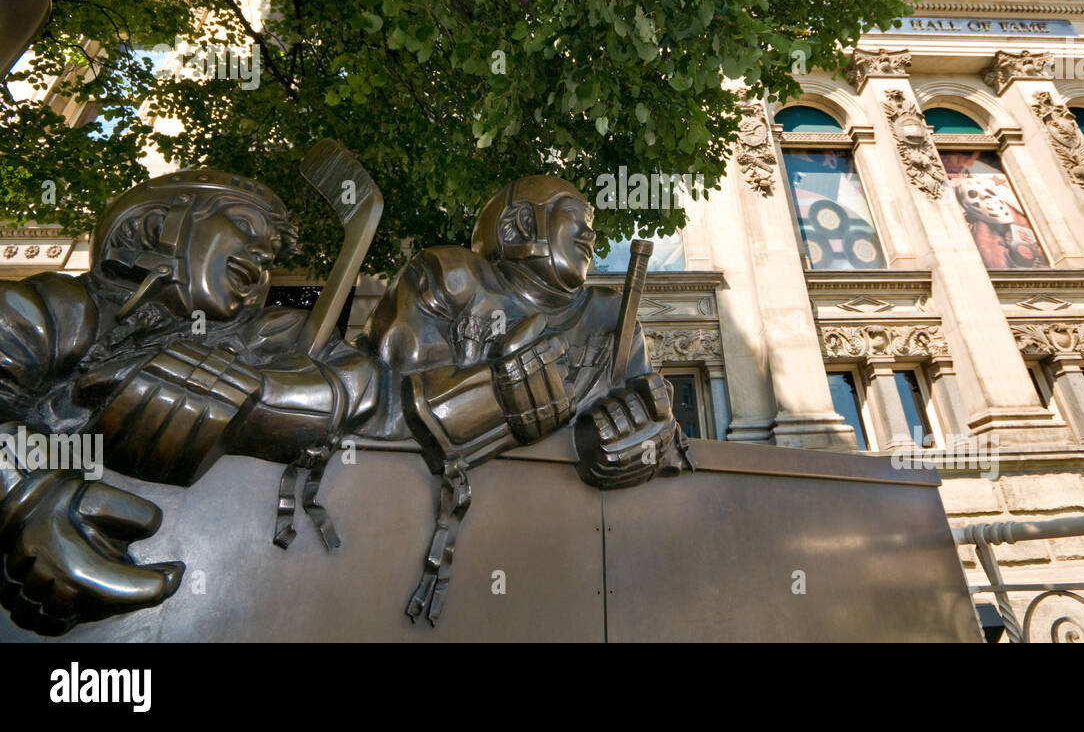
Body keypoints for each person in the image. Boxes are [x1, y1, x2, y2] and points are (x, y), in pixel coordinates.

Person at [0, 170, 379, 635]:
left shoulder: (270, 334)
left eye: (273, 255)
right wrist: (28, 499)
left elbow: (353, 382)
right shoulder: (56, 307)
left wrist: (254, 394)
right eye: (244, 225)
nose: (263, 256)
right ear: (155, 227)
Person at [361, 175, 690, 622]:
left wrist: (645, 440)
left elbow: (659, 425)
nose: (590, 234)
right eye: (575, 218)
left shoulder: (612, 316)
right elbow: (388, 402)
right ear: (518, 227)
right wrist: (498, 399)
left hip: (564, 566)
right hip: (398, 546)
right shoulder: (447, 277)